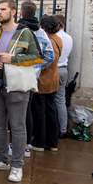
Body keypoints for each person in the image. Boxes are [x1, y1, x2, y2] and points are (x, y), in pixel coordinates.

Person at [0, 0, 42, 183]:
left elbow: (38, 58)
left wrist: (13, 59)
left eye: (3, 9)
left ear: (13, 11)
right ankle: (1, 159)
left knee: (17, 126)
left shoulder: (25, 33)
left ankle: (17, 165)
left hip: (16, 86)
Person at [18, 1, 54, 157]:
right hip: (31, 76)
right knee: (27, 110)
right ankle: (26, 144)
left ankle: (16, 143)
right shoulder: (40, 32)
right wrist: (36, 67)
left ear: (20, 12)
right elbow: (49, 56)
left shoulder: (17, 29)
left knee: (14, 111)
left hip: (15, 73)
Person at [30, 15, 62, 152]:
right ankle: (52, 141)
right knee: (50, 110)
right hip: (52, 79)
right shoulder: (58, 38)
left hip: (44, 80)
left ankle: (40, 141)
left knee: (41, 112)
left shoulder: (49, 40)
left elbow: (50, 59)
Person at [54, 14, 73, 137]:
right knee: (61, 100)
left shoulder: (55, 37)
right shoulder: (69, 37)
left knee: (47, 100)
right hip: (64, 69)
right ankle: (63, 128)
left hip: (54, 69)